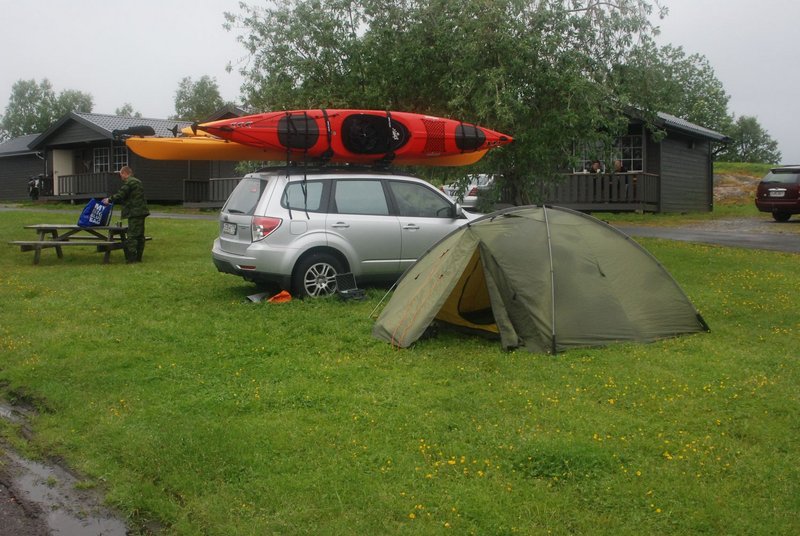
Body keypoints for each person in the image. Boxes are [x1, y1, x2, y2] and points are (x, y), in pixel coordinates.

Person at [102, 166, 150, 263]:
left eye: (121, 175)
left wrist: (109, 199)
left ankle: (131, 259)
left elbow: (121, 194)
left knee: (132, 236)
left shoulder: (129, 182)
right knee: (140, 236)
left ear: (125, 173)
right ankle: (138, 258)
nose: (121, 178)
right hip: (141, 211)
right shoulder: (138, 181)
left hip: (134, 212)